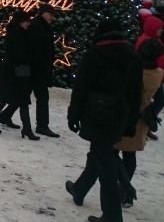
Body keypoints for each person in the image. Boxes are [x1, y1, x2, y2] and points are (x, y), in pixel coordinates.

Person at [65, 19, 142, 222]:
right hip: (119, 115)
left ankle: (112, 214)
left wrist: (73, 115)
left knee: (105, 163)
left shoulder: (94, 54)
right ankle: (79, 189)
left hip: (96, 113)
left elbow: (81, 88)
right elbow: (135, 93)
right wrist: (131, 122)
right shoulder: (132, 57)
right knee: (102, 153)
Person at [113, 14, 164, 207]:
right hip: (142, 118)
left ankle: (123, 189)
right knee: (130, 155)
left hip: (126, 115)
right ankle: (123, 189)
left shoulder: (133, 70)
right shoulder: (159, 74)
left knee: (113, 152)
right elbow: (159, 96)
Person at [0, 4, 60, 137]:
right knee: (40, 97)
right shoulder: (38, 26)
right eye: (51, 14)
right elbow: (30, 49)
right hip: (35, 68)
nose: (53, 18)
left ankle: (5, 115)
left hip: (33, 68)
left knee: (23, 95)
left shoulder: (39, 25)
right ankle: (42, 125)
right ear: (44, 13)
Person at [0, 10, 39, 139]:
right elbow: (20, 55)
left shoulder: (18, 33)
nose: (28, 23)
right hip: (17, 69)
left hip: (16, 69)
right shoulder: (16, 35)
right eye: (26, 21)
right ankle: (26, 129)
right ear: (21, 22)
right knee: (17, 99)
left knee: (15, 99)